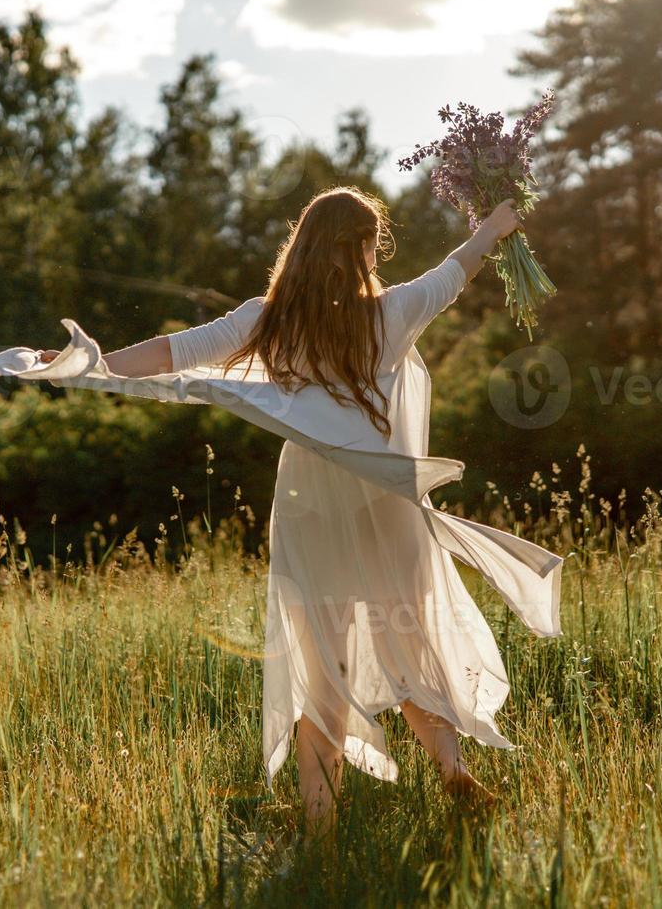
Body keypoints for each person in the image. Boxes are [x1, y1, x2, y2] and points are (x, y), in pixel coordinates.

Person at [33, 187, 544, 839]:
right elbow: (457, 268)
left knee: (324, 676)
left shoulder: (266, 320)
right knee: (409, 644)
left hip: (312, 510)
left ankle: (321, 834)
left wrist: (89, 363)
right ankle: (450, 768)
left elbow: (171, 354)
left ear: (302, 244)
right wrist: (494, 226)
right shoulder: (392, 311)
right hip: (385, 500)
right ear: (364, 248)